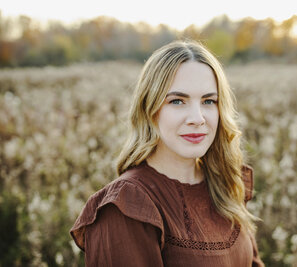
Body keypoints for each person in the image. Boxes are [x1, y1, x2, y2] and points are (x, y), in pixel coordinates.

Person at [70, 40, 264, 267]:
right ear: (150, 109)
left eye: (209, 101)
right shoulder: (128, 207)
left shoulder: (225, 182)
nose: (197, 118)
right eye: (178, 101)